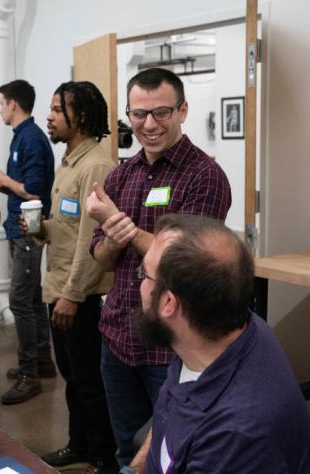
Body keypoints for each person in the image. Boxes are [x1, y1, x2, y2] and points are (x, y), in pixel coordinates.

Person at [87, 67, 232, 466]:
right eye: (139, 114)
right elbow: (100, 258)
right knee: (126, 450)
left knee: (173, 454)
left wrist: (125, 228)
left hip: (171, 345)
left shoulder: (205, 177)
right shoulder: (120, 175)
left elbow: (187, 262)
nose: (149, 124)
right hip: (117, 337)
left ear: (183, 111)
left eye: (162, 112)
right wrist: (113, 236)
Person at [129, 213, 310, 474]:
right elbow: (169, 410)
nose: (141, 285)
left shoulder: (235, 438)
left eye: (144, 275)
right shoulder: (211, 332)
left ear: (169, 303)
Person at [36, 81, 117, 474]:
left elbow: (91, 239)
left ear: (80, 116)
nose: (48, 117)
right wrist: (41, 229)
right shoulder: (69, 161)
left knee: (89, 381)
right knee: (72, 377)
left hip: (80, 296)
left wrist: (72, 296)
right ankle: (79, 444)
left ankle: (103, 455)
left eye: (56, 109)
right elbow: (68, 227)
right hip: (60, 288)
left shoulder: (96, 165)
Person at [0, 79, 56, 405]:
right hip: (20, 230)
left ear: (13, 103)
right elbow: (22, 188)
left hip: (28, 233)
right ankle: (42, 363)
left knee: (18, 302)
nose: (0, 108)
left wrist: (4, 180)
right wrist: (2, 183)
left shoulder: (30, 139)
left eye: (1, 103)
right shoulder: (22, 138)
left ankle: (30, 374)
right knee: (32, 300)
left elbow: (34, 192)